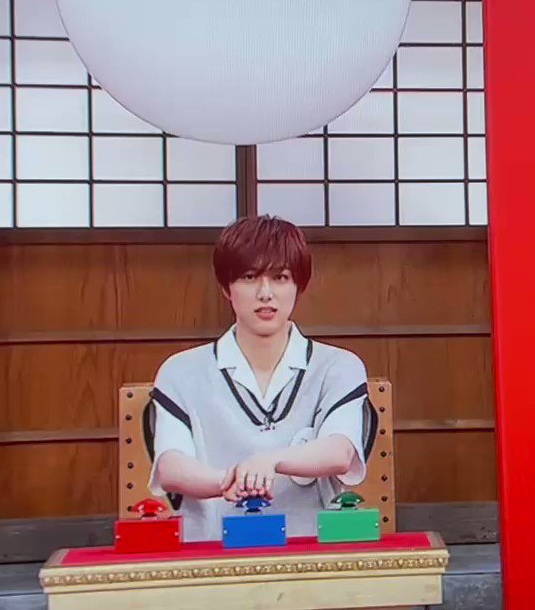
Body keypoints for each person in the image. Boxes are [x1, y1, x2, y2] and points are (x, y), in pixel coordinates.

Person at [147, 215, 374, 542]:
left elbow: (340, 452)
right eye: (249, 277)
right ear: (226, 287)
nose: (265, 293)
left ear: (299, 286)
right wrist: (230, 481)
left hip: (314, 554)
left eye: (280, 277)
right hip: (210, 552)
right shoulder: (179, 372)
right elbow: (170, 466)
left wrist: (270, 460)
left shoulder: (339, 367)